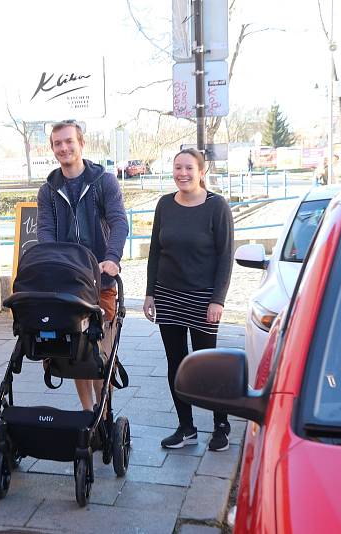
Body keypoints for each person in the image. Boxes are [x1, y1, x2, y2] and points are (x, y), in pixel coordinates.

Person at [143, 148, 234, 452]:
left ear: (201, 172)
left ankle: (221, 424)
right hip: (168, 295)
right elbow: (155, 250)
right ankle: (186, 428)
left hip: (202, 298)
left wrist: (217, 300)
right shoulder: (165, 204)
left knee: (207, 365)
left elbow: (225, 256)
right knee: (176, 363)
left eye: (189, 168)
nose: (182, 173)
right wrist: (150, 293)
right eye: (177, 167)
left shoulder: (216, 206)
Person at [36, 121, 129, 411]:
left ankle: (104, 410)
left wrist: (112, 258)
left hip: (101, 281)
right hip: (67, 284)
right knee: (75, 354)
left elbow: (118, 222)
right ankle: (88, 412)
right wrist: (53, 266)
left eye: (68, 141)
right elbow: (46, 234)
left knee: (100, 353)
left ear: (81, 143)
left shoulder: (104, 181)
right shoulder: (49, 190)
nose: (64, 148)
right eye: (58, 144)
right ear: (52, 148)